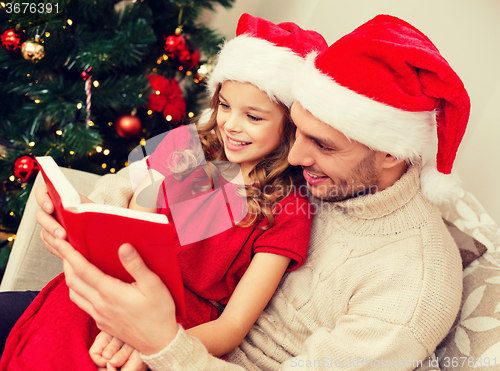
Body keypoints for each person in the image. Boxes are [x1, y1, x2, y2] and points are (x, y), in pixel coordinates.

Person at [6, 14, 469, 371]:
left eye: (322, 144)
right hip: (117, 308)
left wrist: (159, 342)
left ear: (391, 152)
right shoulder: (286, 171)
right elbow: (145, 189)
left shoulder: (411, 288)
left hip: (182, 342)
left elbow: (224, 321)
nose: (297, 158)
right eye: (299, 133)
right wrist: (84, 213)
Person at [0, 14, 328, 371]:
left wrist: (148, 342)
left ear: (290, 128)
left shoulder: (288, 210)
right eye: (225, 106)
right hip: (112, 293)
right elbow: (131, 225)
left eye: (254, 117)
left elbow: (231, 327)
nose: (231, 125)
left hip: (180, 330)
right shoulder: (186, 147)